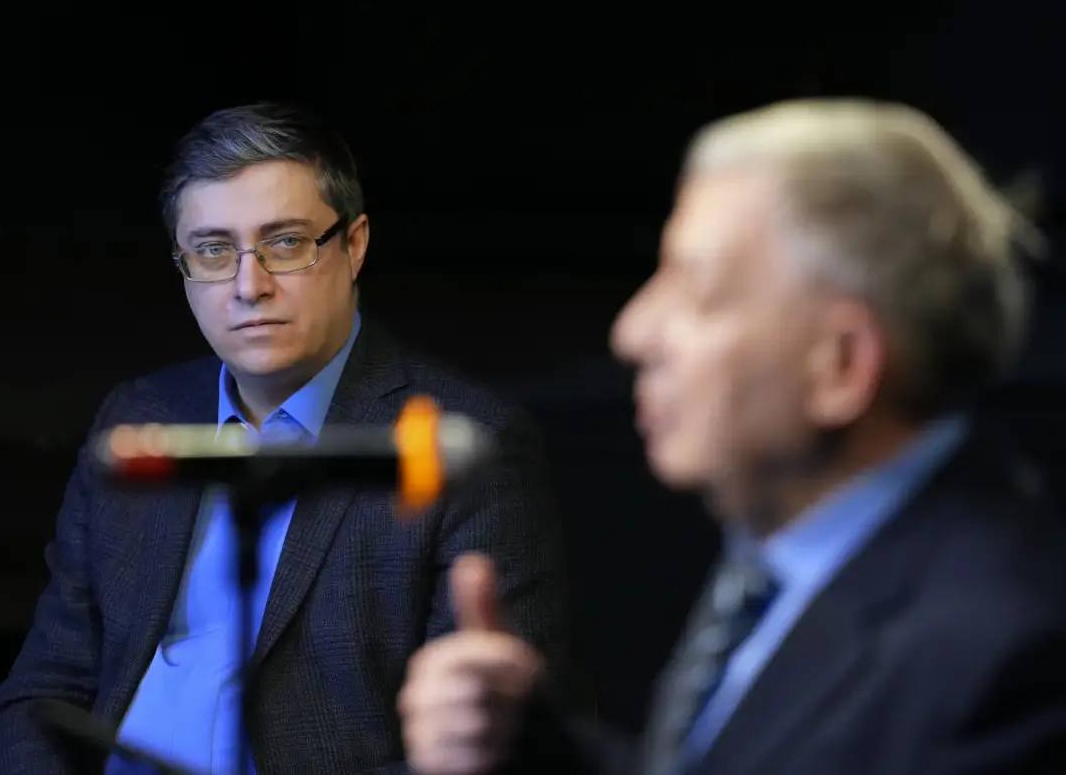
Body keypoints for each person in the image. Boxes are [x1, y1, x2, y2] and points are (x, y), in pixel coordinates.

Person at [398, 98, 1066, 774]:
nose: (632, 332)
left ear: (840, 365)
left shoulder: (1007, 658)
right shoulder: (787, 555)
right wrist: (531, 751)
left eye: (696, 289)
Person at [0, 102, 565, 774]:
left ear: (354, 245)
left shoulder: (466, 444)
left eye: (285, 243)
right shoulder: (139, 416)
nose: (248, 286)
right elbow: (39, 692)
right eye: (212, 250)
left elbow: (484, 751)